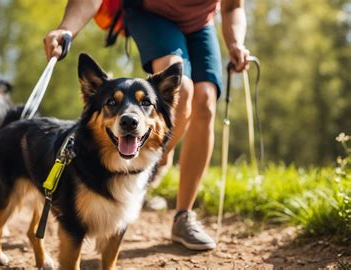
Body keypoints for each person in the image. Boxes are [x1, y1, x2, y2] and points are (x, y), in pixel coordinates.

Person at [43, 0, 249, 251]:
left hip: (200, 23)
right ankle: (156, 162)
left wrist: (236, 42)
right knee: (182, 88)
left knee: (205, 100)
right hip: (149, 14)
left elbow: (231, 7)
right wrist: (66, 28)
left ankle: (183, 215)